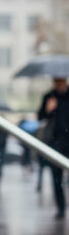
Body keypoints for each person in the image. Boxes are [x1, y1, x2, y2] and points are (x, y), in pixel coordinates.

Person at [37, 77, 69, 219]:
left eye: (61, 81)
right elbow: (40, 116)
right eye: (56, 81)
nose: (58, 83)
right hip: (55, 142)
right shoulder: (49, 96)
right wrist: (48, 109)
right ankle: (61, 208)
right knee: (56, 176)